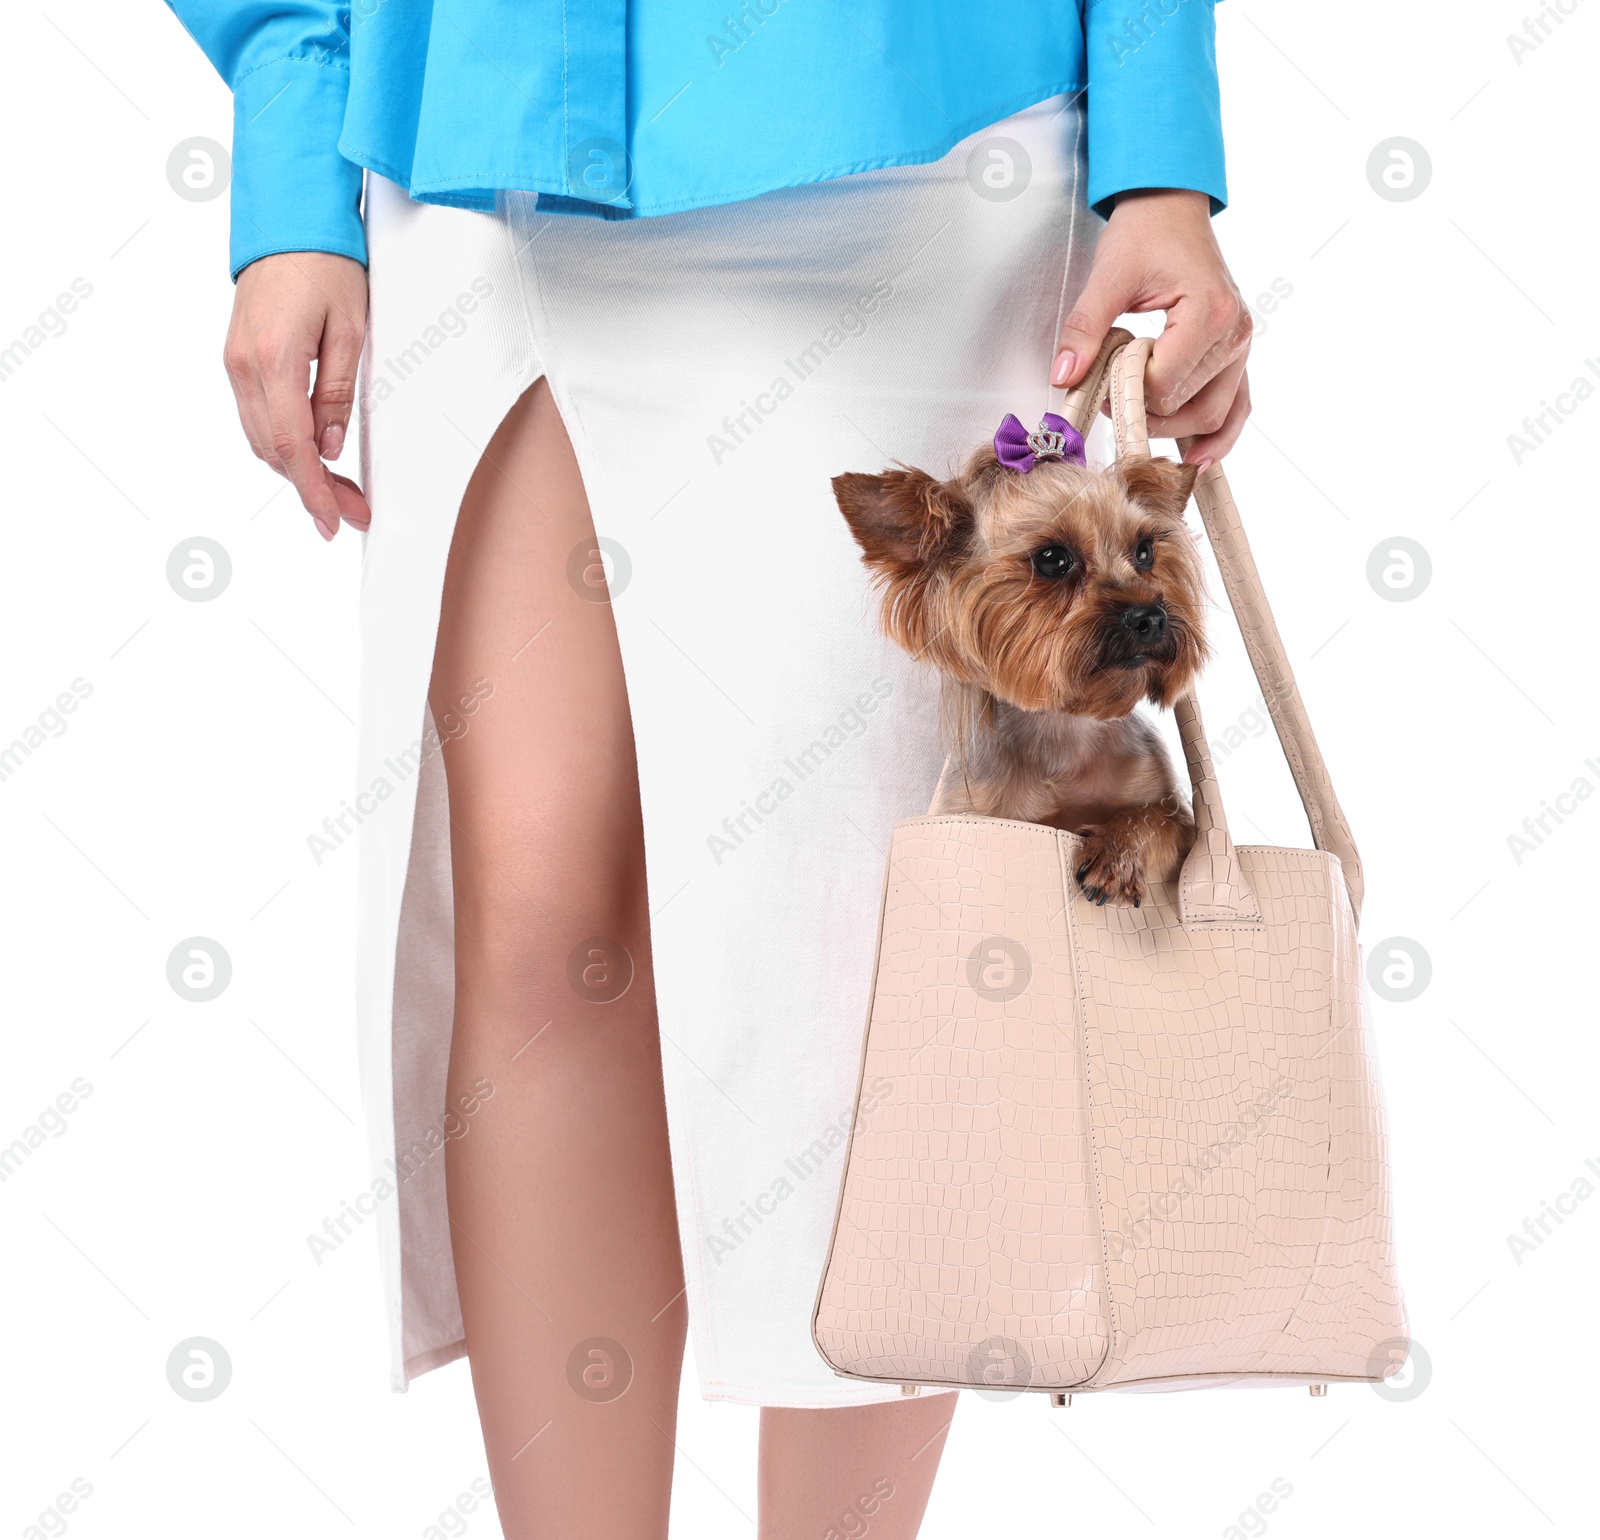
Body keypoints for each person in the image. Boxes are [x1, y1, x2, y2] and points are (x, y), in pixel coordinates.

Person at [162, 2, 1252, 1534]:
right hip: (473, 145)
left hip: (922, 143)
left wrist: (1161, 165)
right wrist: (293, 154)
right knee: (544, 934)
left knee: (879, 955)